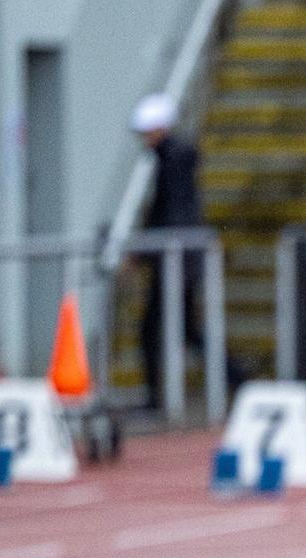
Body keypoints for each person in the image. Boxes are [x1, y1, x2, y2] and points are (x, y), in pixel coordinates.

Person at [129, 93, 204, 411]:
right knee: (187, 331)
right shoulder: (173, 159)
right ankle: (239, 381)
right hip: (178, 257)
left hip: (176, 260)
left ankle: (155, 398)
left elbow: (169, 211)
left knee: (153, 329)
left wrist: (148, 252)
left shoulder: (172, 161)